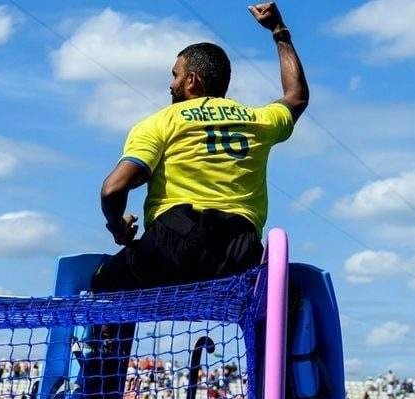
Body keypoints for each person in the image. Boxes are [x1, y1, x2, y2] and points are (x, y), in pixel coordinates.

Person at [93, 1, 307, 292]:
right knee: (280, 301)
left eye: (175, 75)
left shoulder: (160, 122)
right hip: (238, 251)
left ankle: (103, 339)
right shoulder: (258, 119)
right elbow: (296, 96)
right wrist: (279, 31)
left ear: (192, 81)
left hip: (173, 244)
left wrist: (118, 228)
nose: (171, 84)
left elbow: (113, 189)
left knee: (102, 284)